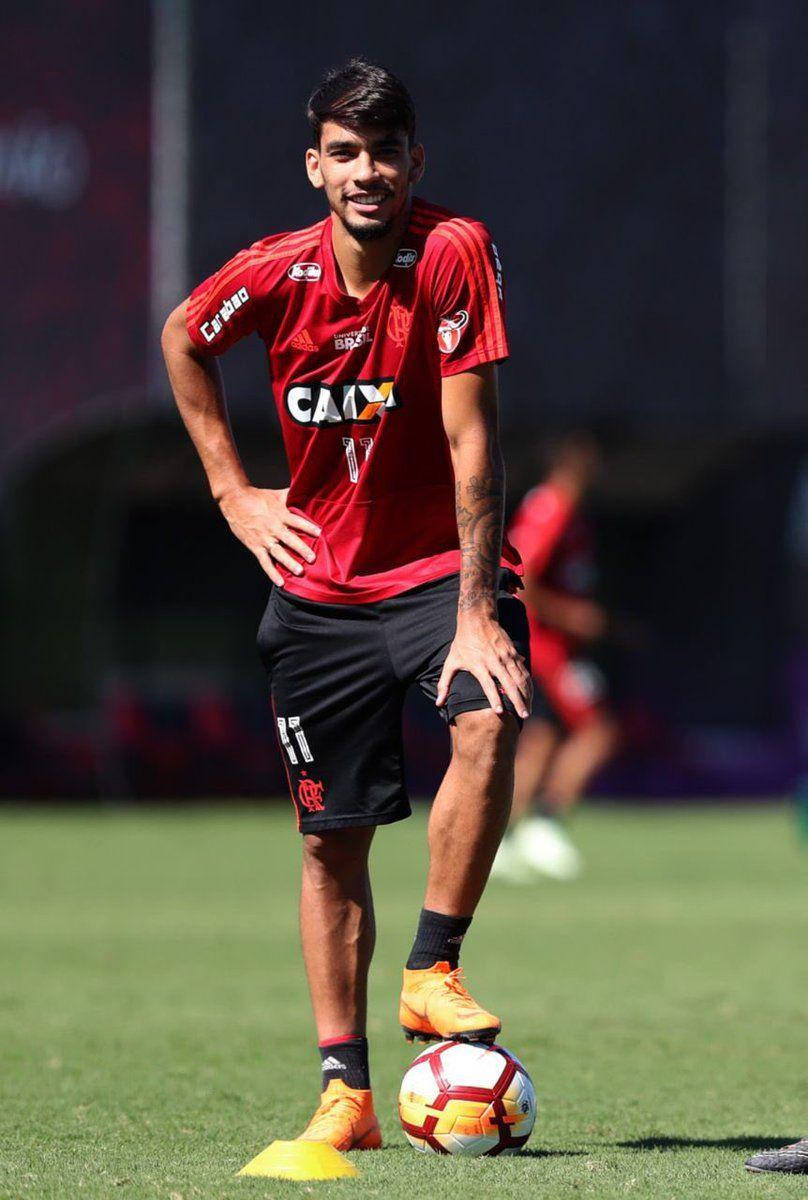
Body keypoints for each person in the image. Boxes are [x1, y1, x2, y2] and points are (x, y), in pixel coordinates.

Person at [161, 58, 531, 1153]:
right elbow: (186, 336)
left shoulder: (452, 251)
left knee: (488, 711)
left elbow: (476, 441)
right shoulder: (270, 275)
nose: (366, 172)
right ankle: (346, 1094)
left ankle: (431, 967)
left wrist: (474, 611)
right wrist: (233, 492)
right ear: (314, 166)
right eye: (345, 153)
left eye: (385, 152)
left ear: (415, 161)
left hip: (434, 574)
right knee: (331, 843)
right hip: (319, 589)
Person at [492, 434, 619, 882]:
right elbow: (522, 577)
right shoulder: (551, 509)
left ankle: (501, 840)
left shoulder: (568, 513)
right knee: (599, 731)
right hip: (547, 648)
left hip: (554, 645)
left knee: (540, 742)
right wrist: (575, 617)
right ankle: (545, 821)